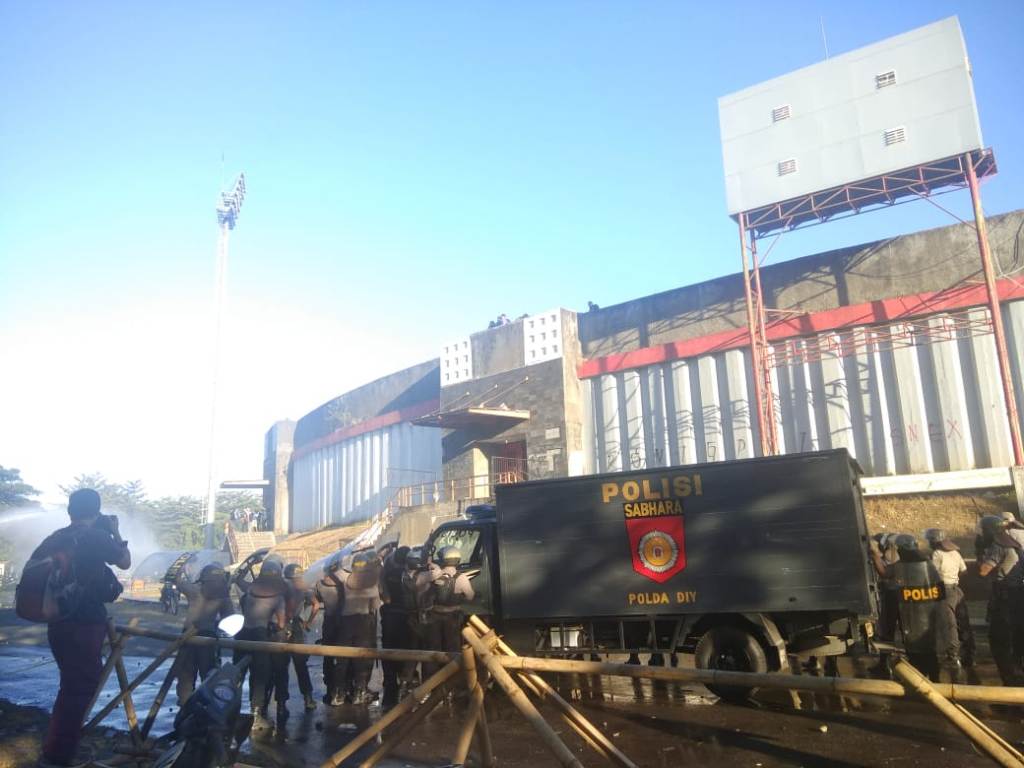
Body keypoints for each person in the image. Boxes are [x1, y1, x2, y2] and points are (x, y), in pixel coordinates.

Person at [35, 488, 131, 768]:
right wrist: (115, 531)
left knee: (70, 685)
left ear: (70, 510)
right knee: (80, 687)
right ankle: (56, 756)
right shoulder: (96, 536)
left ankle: (60, 747)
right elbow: (124, 561)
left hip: (57, 621)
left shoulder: (56, 537)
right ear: (97, 511)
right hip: (85, 621)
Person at [871, 534, 943, 679]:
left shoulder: (901, 566)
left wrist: (874, 556)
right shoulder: (928, 564)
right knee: (929, 649)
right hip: (927, 611)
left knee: (915, 650)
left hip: (912, 613)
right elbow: (940, 589)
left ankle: (921, 683)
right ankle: (935, 681)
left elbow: (884, 573)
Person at [233, 558, 288, 728]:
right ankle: (256, 713)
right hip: (260, 635)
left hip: (242, 634)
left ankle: (231, 709)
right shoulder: (278, 597)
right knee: (260, 676)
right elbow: (281, 623)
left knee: (238, 674)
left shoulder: (250, 588)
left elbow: (238, 578)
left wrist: (247, 566)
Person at [175, 564, 234, 704]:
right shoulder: (223, 597)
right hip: (208, 638)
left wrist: (181, 568)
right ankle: (204, 707)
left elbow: (177, 581)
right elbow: (229, 619)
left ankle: (185, 706)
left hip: (188, 637)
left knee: (186, 676)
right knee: (208, 676)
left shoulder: (194, 590)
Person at [978, 515, 1023, 685]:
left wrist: (982, 553)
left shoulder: (998, 545)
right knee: (1016, 642)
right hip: (1018, 595)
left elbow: (983, 570)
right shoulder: (1015, 543)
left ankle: (1010, 687)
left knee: (1000, 643)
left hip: (1003, 598)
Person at [336, 550, 382, 705]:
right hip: (363, 622)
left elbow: (334, 570)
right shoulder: (372, 585)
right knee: (360, 659)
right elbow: (375, 606)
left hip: (345, 622)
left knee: (342, 658)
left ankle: (339, 694)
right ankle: (359, 693)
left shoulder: (345, 579)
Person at [923, 528, 968, 682]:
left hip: (944, 590)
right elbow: (964, 570)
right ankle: (969, 653)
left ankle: (953, 656)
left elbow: (932, 574)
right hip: (957, 588)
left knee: (949, 623)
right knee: (962, 621)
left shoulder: (937, 554)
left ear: (934, 541)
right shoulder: (955, 553)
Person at [278, 563, 318, 713]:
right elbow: (316, 605)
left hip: (282, 626)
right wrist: (308, 622)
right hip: (296, 626)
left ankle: (281, 704)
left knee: (281, 666)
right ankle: (308, 699)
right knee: (301, 665)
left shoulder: (281, 587)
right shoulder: (304, 587)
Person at [426, 546, 475, 660]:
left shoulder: (436, 574)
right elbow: (470, 596)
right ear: (457, 560)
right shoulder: (461, 578)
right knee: (452, 650)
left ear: (443, 559)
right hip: (452, 618)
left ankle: (433, 676)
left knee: (434, 649)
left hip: (434, 617)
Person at [378, 545, 411, 707]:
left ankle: (390, 681)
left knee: (388, 649)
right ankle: (405, 679)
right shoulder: (410, 575)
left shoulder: (387, 574)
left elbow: (384, 596)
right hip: (405, 617)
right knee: (406, 649)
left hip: (390, 616)